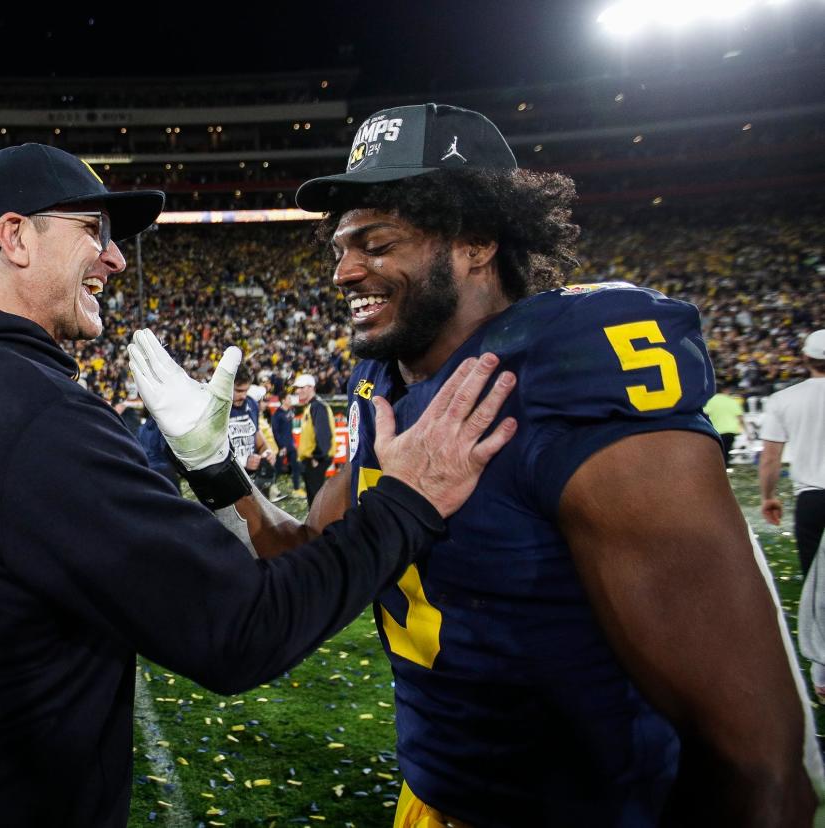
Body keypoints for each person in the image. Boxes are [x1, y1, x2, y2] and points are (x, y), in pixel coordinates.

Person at [135, 103, 819, 826]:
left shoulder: (569, 380)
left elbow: (757, 760)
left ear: (478, 241)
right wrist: (212, 464)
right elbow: (306, 558)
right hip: (435, 794)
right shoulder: (387, 385)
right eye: (339, 246)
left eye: (375, 242)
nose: (343, 271)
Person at [0, 142, 518, 827]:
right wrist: (406, 502)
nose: (114, 258)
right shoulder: (23, 410)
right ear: (16, 237)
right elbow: (242, 628)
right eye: (92, 232)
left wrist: (215, 470)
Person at [760, 329, 825, 574]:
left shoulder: (783, 399)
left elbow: (770, 457)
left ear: (806, 357)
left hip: (811, 498)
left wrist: (769, 497)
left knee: (814, 581)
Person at [293, 373, 334, 505]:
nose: (297, 391)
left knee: (316, 500)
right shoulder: (312, 406)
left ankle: (318, 525)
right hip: (311, 459)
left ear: (311, 388)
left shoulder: (317, 406)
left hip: (315, 460)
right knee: (313, 498)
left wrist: (318, 456)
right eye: (297, 388)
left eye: (301, 387)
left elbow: (323, 433)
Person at [703, 382, 746, 465]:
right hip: (731, 431)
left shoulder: (710, 401)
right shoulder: (731, 400)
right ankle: (725, 470)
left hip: (717, 431)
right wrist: (746, 432)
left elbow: (705, 415)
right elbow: (740, 417)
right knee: (725, 453)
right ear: (724, 390)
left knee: (717, 454)